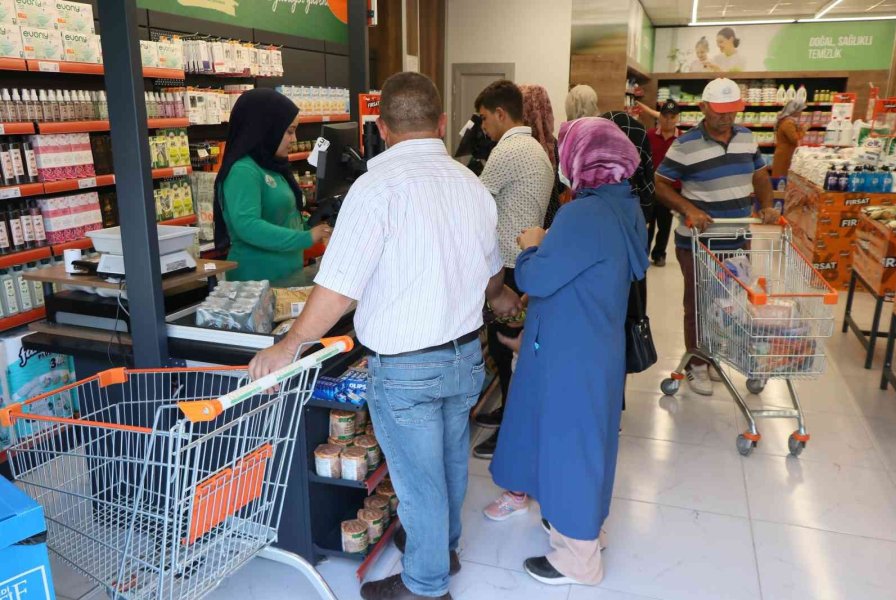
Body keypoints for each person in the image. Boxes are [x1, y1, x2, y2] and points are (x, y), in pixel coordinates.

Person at [248, 72, 521, 600]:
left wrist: (289, 345)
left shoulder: (375, 190)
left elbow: (338, 289)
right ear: (441, 123)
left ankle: (425, 585)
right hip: (465, 355)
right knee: (448, 463)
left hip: (407, 366)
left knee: (419, 481)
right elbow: (492, 276)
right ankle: (443, 550)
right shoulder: (472, 184)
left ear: (382, 127)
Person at [490, 117, 648, 587]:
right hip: (594, 343)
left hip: (570, 353)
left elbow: (536, 279)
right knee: (587, 441)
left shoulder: (584, 214)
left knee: (569, 446)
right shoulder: (625, 206)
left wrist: (532, 246)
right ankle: (583, 529)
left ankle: (575, 557)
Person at [655, 78, 780, 396]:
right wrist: (687, 209)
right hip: (698, 243)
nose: (726, 118)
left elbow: (759, 175)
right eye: (720, 111)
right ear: (703, 108)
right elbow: (659, 183)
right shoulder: (685, 145)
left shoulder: (747, 137)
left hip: (738, 238)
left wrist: (766, 205)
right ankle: (696, 363)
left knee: (730, 304)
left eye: (732, 111)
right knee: (698, 303)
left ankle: (713, 356)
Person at [471, 80, 554, 459]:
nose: (483, 127)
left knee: (507, 351)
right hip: (525, 260)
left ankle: (511, 431)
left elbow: (477, 201)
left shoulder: (508, 150)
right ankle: (511, 414)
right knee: (512, 350)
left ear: (501, 114)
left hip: (506, 265)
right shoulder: (536, 147)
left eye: (485, 118)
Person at [213, 88, 331, 282]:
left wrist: (314, 223)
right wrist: (307, 237)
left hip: (285, 276)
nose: (294, 139)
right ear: (266, 129)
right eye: (289, 131)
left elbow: (284, 220)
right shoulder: (243, 171)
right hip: (255, 282)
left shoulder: (273, 166)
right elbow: (248, 226)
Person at [519, 84, 564, 227]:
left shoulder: (518, 147)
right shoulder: (555, 145)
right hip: (552, 221)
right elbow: (561, 185)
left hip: (523, 224)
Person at [645, 99, 681, 267]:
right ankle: (643, 252)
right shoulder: (649, 135)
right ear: (659, 116)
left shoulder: (683, 139)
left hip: (670, 191)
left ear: (677, 118)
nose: (668, 120)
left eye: (672, 117)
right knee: (647, 223)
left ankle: (659, 254)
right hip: (650, 188)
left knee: (665, 225)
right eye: (665, 116)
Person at [771, 98, 807, 178]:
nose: (801, 112)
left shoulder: (786, 120)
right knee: (781, 177)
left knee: (781, 176)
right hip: (785, 154)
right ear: (795, 110)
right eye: (800, 110)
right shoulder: (788, 123)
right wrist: (803, 130)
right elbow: (794, 139)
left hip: (784, 152)